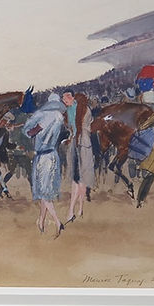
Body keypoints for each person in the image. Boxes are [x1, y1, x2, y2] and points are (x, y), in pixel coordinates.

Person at [21, 92, 67, 237]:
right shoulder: (59, 116)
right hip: (53, 155)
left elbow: (30, 132)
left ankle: (57, 222)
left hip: (43, 157)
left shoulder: (44, 115)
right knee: (46, 190)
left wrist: (28, 128)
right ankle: (41, 221)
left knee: (43, 192)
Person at [62, 91, 95, 223]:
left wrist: (75, 135)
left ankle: (73, 211)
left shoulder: (84, 109)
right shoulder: (68, 111)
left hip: (83, 144)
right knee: (77, 178)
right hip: (74, 144)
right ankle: (78, 210)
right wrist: (70, 136)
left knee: (80, 178)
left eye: (66, 99)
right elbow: (71, 128)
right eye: (63, 99)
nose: (64, 101)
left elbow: (85, 127)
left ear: (72, 97)